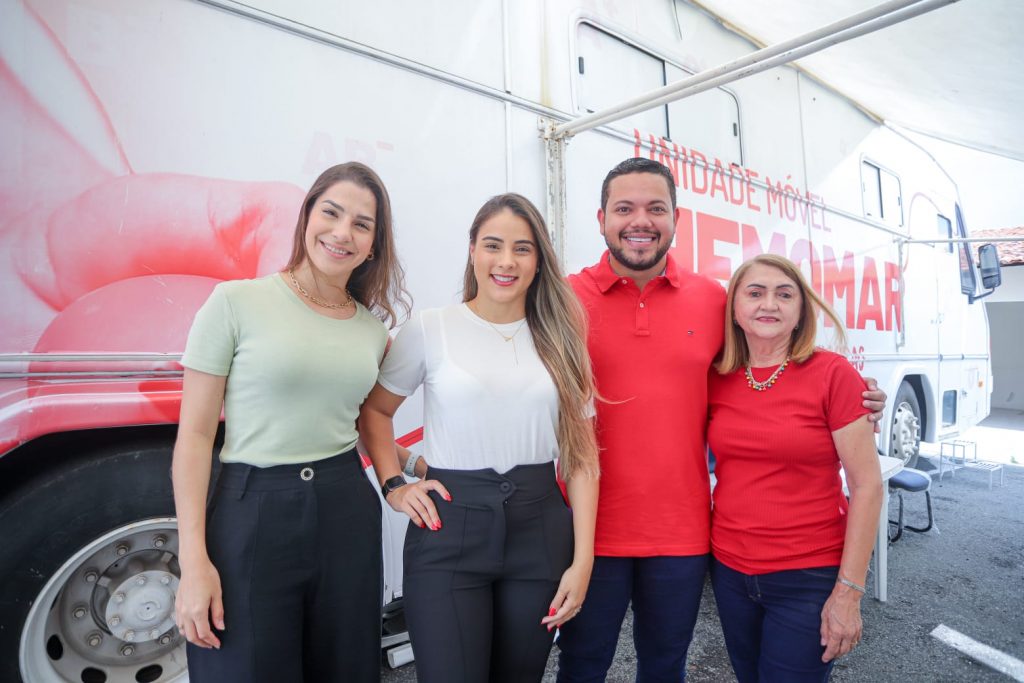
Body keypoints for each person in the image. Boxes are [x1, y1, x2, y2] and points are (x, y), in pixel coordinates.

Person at [556, 157, 886, 682]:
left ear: (676, 219)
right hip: (586, 528)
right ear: (601, 219)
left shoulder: (712, 300)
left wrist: (854, 396)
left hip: (683, 535)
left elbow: (768, 363)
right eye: (624, 208)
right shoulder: (562, 299)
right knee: (581, 666)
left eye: (656, 208)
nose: (640, 221)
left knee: (665, 667)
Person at [171, 162, 409, 682]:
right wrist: (193, 561)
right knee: (245, 667)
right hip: (253, 512)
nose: (342, 233)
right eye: (331, 213)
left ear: (373, 245)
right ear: (306, 217)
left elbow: (354, 425)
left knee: (345, 667)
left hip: (346, 509)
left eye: (362, 224)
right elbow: (195, 437)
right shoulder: (235, 302)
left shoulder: (371, 333)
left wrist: (413, 467)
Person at [359, 193, 600, 683]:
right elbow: (374, 413)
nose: (506, 261)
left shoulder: (562, 339)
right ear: (472, 251)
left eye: (522, 248)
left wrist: (582, 561)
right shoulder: (431, 328)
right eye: (493, 245)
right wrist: (395, 485)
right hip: (448, 528)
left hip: (539, 533)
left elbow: (580, 458)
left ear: (539, 260)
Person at [707, 253, 883, 681]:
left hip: (807, 574)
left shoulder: (833, 374)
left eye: (784, 295)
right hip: (729, 572)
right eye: (755, 293)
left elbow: (867, 486)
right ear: (734, 308)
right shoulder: (716, 377)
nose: (769, 304)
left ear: (802, 310)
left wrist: (849, 592)